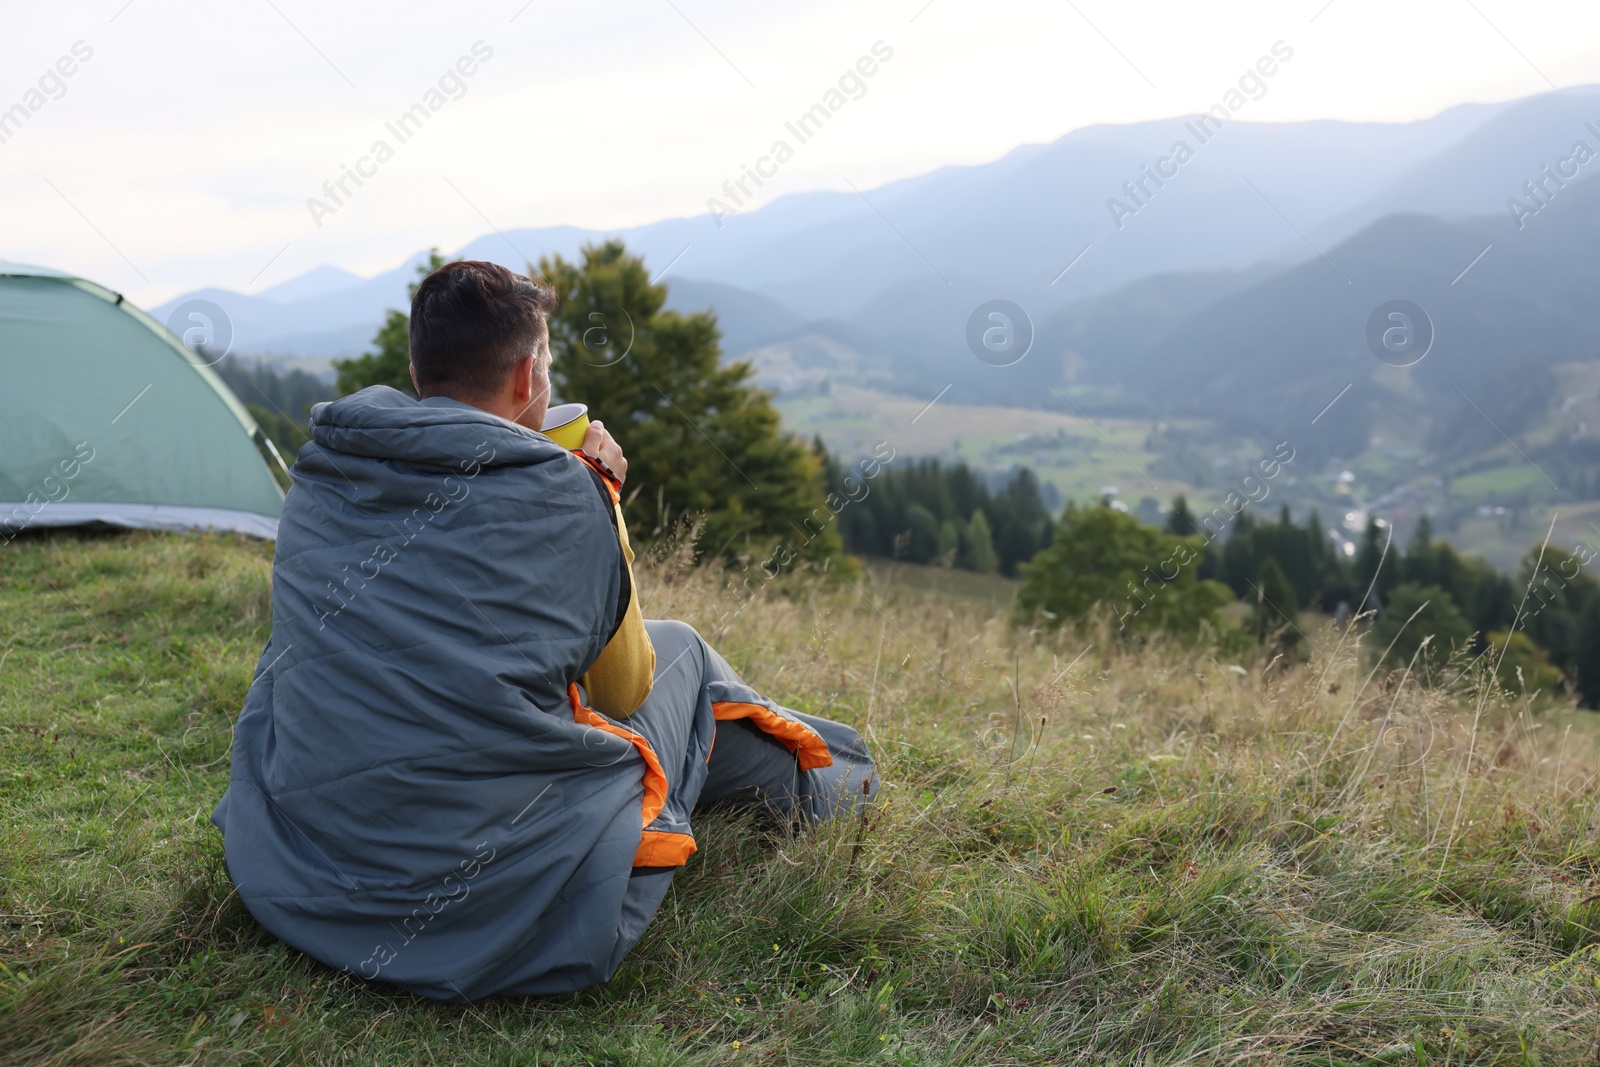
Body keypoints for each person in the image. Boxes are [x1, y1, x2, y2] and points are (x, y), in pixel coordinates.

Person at [211, 260, 876, 1001]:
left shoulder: (330, 468)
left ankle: (826, 777)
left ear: (416, 369)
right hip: (493, 902)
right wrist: (603, 500)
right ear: (529, 377)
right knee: (684, 653)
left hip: (313, 862)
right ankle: (834, 783)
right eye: (550, 365)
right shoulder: (561, 493)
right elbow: (625, 686)